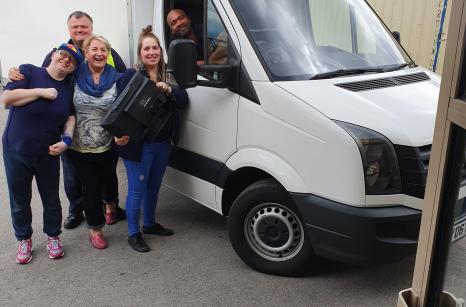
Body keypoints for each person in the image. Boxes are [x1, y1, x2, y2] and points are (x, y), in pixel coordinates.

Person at [8, 11, 127, 230]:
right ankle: (76, 210)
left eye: (84, 27)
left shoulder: (107, 52)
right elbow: (45, 75)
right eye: (76, 28)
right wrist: (15, 73)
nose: (80, 31)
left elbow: (124, 80)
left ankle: (110, 205)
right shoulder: (60, 53)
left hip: (103, 134)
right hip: (70, 129)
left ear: (91, 29)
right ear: (69, 30)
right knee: (72, 176)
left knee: (106, 174)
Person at [1, 43, 83, 264]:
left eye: (72, 60)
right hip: (15, 149)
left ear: (74, 68)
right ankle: (24, 239)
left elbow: (70, 117)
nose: (66, 60)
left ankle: (53, 236)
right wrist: (41, 92)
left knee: (51, 199)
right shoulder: (29, 71)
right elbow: (7, 99)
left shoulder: (68, 88)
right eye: (63, 55)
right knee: (19, 200)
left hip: (48, 152)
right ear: (54, 54)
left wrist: (66, 141)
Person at [114, 25, 189, 252]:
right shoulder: (130, 75)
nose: (151, 52)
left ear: (160, 51)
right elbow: (119, 107)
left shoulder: (168, 75)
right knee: (138, 188)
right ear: (140, 53)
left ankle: (150, 224)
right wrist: (118, 135)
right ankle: (133, 233)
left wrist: (169, 90)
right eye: (146, 49)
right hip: (138, 144)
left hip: (162, 142)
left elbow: (183, 100)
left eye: (155, 48)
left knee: (153, 187)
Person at [66, 34, 120, 249]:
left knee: (109, 178)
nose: (99, 53)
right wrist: (19, 74)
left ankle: (111, 205)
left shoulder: (117, 77)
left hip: (108, 143)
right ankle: (95, 229)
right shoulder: (73, 75)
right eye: (94, 49)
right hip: (78, 145)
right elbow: (49, 77)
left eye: (103, 50)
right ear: (86, 53)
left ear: (108, 54)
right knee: (91, 187)